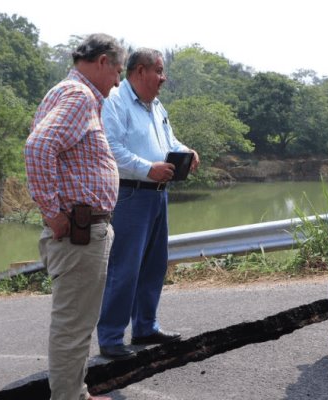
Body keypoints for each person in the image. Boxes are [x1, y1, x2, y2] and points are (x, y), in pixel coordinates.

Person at [23, 33, 125, 400]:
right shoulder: (80, 95)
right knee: (73, 325)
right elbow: (38, 147)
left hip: (83, 228)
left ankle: (74, 393)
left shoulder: (70, 92)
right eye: (117, 71)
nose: (117, 82)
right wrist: (53, 213)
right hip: (79, 231)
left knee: (77, 323)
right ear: (102, 62)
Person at [96, 48, 199, 360]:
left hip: (157, 193)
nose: (163, 77)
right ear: (139, 71)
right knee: (125, 267)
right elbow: (111, 148)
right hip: (130, 193)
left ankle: (145, 326)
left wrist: (187, 151)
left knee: (154, 265)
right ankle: (112, 336)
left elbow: (169, 142)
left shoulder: (155, 106)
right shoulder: (115, 101)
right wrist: (147, 168)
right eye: (158, 70)